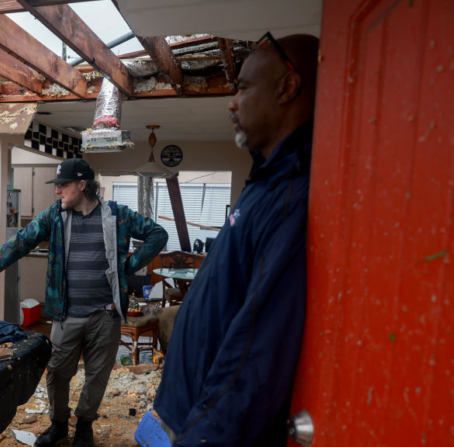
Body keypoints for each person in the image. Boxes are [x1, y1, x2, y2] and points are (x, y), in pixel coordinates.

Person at [153, 33, 320, 446]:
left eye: (243, 88)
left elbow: (256, 352)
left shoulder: (291, 197)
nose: (231, 102)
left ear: (287, 87)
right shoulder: (265, 182)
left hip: (205, 428)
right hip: (188, 409)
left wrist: (200, 437)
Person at [0, 158, 167, 447]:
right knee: (58, 373)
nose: (57, 191)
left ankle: (84, 425)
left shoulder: (116, 216)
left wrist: (127, 266)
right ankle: (59, 424)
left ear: (82, 185)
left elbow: (158, 234)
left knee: (97, 375)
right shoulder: (54, 217)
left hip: (105, 315)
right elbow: (20, 242)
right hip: (65, 314)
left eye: (63, 185)